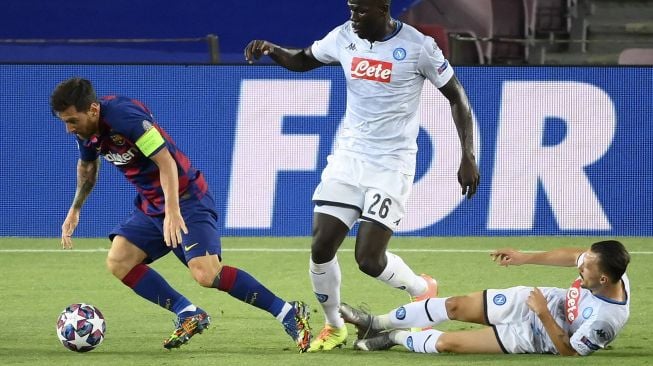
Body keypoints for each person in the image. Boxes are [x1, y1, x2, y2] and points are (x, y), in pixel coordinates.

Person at [244, 0, 480, 352]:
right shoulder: (343, 36)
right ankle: (335, 325)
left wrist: (468, 155)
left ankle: (420, 288)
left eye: (360, 11)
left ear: (383, 9)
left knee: (368, 260)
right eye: (351, 9)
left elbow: (456, 96)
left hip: (391, 164)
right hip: (349, 158)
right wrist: (273, 50)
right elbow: (303, 60)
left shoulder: (419, 47)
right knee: (321, 246)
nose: (353, 17)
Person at [49, 77, 312, 352]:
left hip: (186, 198)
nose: (68, 129)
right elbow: (87, 169)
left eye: (72, 121)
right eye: (64, 122)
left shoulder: (125, 117)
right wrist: (75, 209)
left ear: (92, 109)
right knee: (119, 261)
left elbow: (166, 162)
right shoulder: (86, 132)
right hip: (151, 204)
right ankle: (188, 312)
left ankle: (288, 312)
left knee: (206, 274)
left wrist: (173, 210)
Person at [340, 240, 631, 356]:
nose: (580, 266)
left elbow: (570, 352)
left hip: (535, 337)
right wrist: (524, 257)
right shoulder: (606, 269)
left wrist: (542, 313)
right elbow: (572, 256)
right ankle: (374, 322)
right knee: (454, 305)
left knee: (448, 343)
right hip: (532, 300)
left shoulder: (606, 320)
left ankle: (395, 338)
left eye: (586, 267)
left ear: (603, 280)